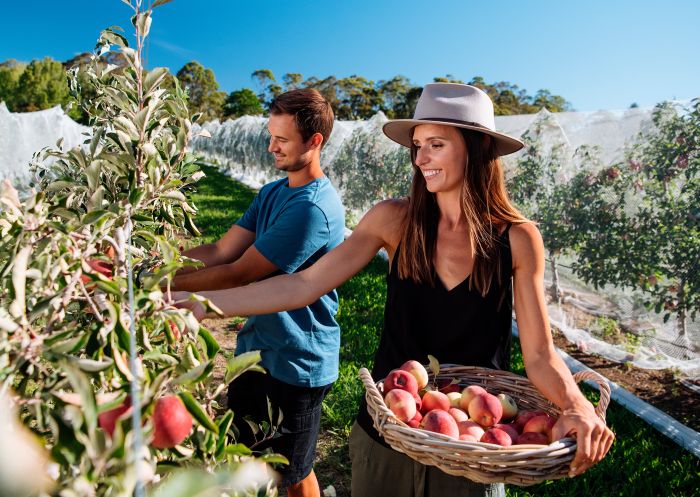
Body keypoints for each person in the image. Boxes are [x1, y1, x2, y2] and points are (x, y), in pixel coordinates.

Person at [173, 83, 615, 497]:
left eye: (436, 145)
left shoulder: (517, 238)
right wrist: (200, 303)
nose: (421, 159)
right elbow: (304, 284)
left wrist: (576, 405)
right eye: (417, 146)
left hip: (474, 445)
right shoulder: (394, 220)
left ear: (476, 150)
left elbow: (539, 354)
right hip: (388, 433)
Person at [171, 88, 345, 497]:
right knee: (252, 458)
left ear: (314, 141)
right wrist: (159, 266)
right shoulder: (272, 192)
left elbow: (239, 273)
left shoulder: (312, 209)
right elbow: (220, 250)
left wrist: (163, 285)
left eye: (282, 140)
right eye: (271, 135)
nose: (271, 147)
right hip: (257, 348)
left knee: (290, 471)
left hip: (297, 360)